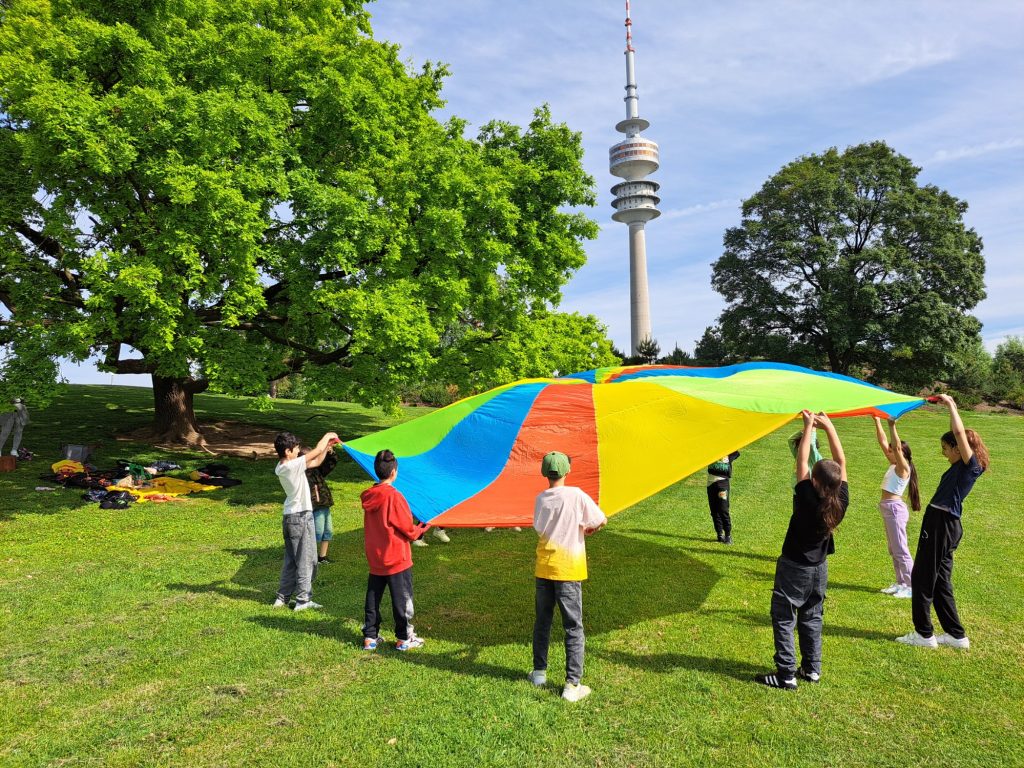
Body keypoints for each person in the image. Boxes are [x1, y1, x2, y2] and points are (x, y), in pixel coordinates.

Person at [756, 411, 848, 690]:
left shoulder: (807, 496)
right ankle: (811, 669)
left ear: (815, 481)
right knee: (812, 614)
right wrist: (829, 427)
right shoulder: (840, 498)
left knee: (784, 616)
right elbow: (841, 462)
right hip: (819, 568)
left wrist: (808, 426)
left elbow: (801, 460)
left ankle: (785, 675)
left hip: (795, 566)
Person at [896, 394, 988, 650]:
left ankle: (924, 634)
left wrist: (950, 405)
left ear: (960, 448)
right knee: (941, 581)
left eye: (947, 449)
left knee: (922, 576)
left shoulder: (970, 466)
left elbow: (958, 431)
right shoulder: (962, 467)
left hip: (941, 524)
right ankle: (956, 635)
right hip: (944, 524)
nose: (945, 453)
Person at [529, 451, 607, 703]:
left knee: (543, 621)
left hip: (545, 567)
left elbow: (540, 527)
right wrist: (588, 528)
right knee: (573, 626)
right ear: (567, 471)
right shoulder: (576, 495)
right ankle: (572, 685)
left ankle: (539, 672)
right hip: (568, 569)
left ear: (544, 473)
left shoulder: (541, 499)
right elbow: (600, 519)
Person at [361, 449, 431, 651]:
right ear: (394, 472)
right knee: (402, 599)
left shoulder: (370, 495)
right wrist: (422, 528)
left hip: (376, 557)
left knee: (373, 597)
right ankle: (404, 638)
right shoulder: (394, 497)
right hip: (396, 557)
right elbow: (407, 529)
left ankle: (370, 637)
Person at [272, 431, 339, 611]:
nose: (297, 451)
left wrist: (327, 448)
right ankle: (303, 600)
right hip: (301, 517)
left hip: (289, 517)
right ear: (287, 451)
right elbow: (316, 450)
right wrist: (327, 436)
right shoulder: (292, 466)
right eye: (295, 449)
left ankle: (283, 597)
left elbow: (316, 461)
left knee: (292, 560)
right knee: (307, 560)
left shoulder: (282, 466)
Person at [872, 416, 920, 599]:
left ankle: (911, 585)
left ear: (901, 454)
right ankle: (901, 583)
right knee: (894, 548)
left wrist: (892, 426)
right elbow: (883, 442)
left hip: (894, 509)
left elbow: (896, 447)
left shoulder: (903, 468)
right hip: (887, 508)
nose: (889, 452)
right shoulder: (894, 464)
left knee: (901, 549)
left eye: (893, 451)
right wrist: (876, 420)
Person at [304, 445, 339, 564]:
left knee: (328, 531)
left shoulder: (317, 470)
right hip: (316, 506)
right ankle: (310, 557)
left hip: (325, 504)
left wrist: (330, 453)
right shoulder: (302, 474)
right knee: (317, 532)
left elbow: (330, 464)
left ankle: (322, 557)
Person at [706, 451, 740, 544]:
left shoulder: (729, 453)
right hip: (710, 483)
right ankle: (720, 534)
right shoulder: (710, 451)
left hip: (722, 485)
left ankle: (728, 536)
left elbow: (736, 452)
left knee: (723, 509)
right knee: (714, 510)